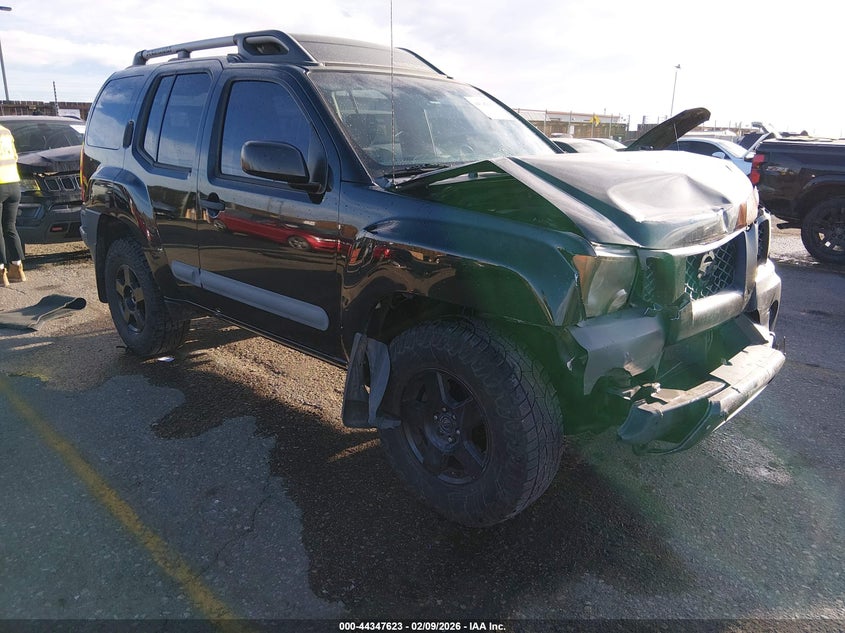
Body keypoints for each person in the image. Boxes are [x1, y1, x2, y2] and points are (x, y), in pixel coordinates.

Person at [0, 122, 25, 287]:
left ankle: (1, 272)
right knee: (10, 227)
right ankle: (16, 268)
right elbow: (15, 156)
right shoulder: (5, 131)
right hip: (13, 184)